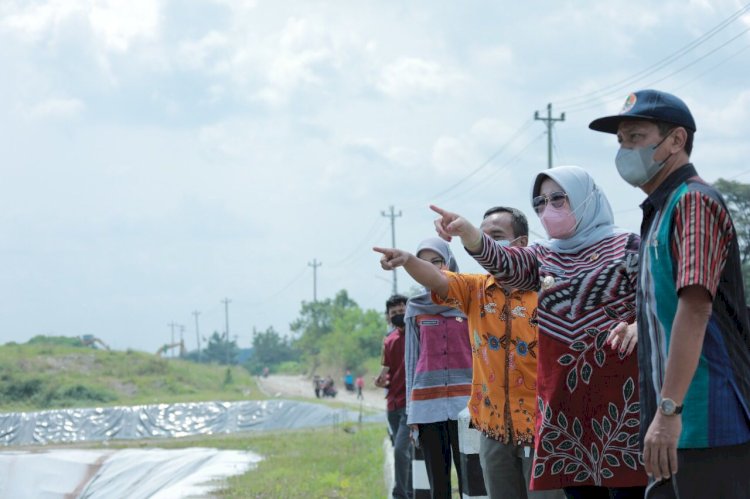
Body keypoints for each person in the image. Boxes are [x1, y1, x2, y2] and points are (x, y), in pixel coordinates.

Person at [430, 166, 648, 498]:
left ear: (585, 198)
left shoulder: (629, 247)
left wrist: (639, 325)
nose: (549, 208)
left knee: (629, 492)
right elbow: (504, 263)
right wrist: (469, 234)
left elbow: (661, 302)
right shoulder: (543, 256)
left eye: (558, 198)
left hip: (620, 408)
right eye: (541, 202)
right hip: (565, 411)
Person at [589, 89, 750, 498]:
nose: (624, 150)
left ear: (676, 141)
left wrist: (668, 412)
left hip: (707, 420)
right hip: (676, 423)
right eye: (621, 141)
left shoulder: (692, 202)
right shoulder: (659, 212)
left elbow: (695, 308)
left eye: (636, 137)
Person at [377, 208, 564, 499]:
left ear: (521, 244)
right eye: (483, 238)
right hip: (493, 431)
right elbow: (437, 279)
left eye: (497, 237)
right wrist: (408, 260)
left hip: (543, 429)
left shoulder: (549, 290)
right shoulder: (475, 290)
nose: (487, 246)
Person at [399, 238, 473, 499]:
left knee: (471, 481)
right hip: (427, 407)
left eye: (437, 261)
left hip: (467, 405)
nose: (431, 268)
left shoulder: (468, 301)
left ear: (449, 263)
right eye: (423, 263)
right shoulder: (415, 307)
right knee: (438, 485)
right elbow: (411, 361)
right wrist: (411, 414)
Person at [376, 294, 413, 499]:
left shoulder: (418, 335)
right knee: (401, 449)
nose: (398, 316)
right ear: (388, 317)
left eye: (402, 311)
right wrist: (379, 380)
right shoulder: (388, 341)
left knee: (400, 449)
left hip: (411, 404)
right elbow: (386, 369)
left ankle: (400, 494)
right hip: (393, 403)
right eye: (394, 313)